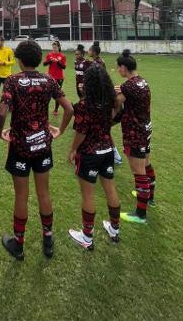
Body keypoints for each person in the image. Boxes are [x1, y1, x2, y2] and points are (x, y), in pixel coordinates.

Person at [0, 40, 73, 260]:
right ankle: (48, 240)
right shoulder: (48, 80)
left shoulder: (12, 81)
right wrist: (60, 130)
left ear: (19, 60)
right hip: (42, 145)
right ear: (39, 59)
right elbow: (69, 108)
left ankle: (18, 244)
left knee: (21, 195)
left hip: (20, 146)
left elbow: (2, 113)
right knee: (44, 193)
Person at [67, 65, 121, 250]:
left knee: (88, 195)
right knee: (110, 189)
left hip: (89, 153)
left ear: (87, 83)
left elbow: (81, 132)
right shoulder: (110, 100)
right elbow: (116, 111)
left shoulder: (84, 105)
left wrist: (73, 149)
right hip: (107, 150)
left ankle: (87, 237)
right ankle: (114, 228)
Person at [115, 49, 155, 224]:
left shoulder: (128, 86)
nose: (117, 70)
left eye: (118, 68)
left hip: (135, 132)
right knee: (146, 165)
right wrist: (121, 88)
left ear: (124, 68)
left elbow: (116, 103)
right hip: (146, 127)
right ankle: (149, 197)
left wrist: (114, 91)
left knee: (139, 172)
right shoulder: (142, 81)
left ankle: (140, 214)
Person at [43, 40, 66, 115]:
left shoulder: (62, 56)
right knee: (47, 93)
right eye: (53, 47)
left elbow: (64, 67)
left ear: (58, 47)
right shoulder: (49, 55)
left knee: (57, 94)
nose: (54, 49)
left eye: (55, 47)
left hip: (59, 77)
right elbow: (44, 64)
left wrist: (58, 62)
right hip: (50, 77)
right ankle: (44, 108)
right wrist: (50, 61)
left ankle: (56, 109)